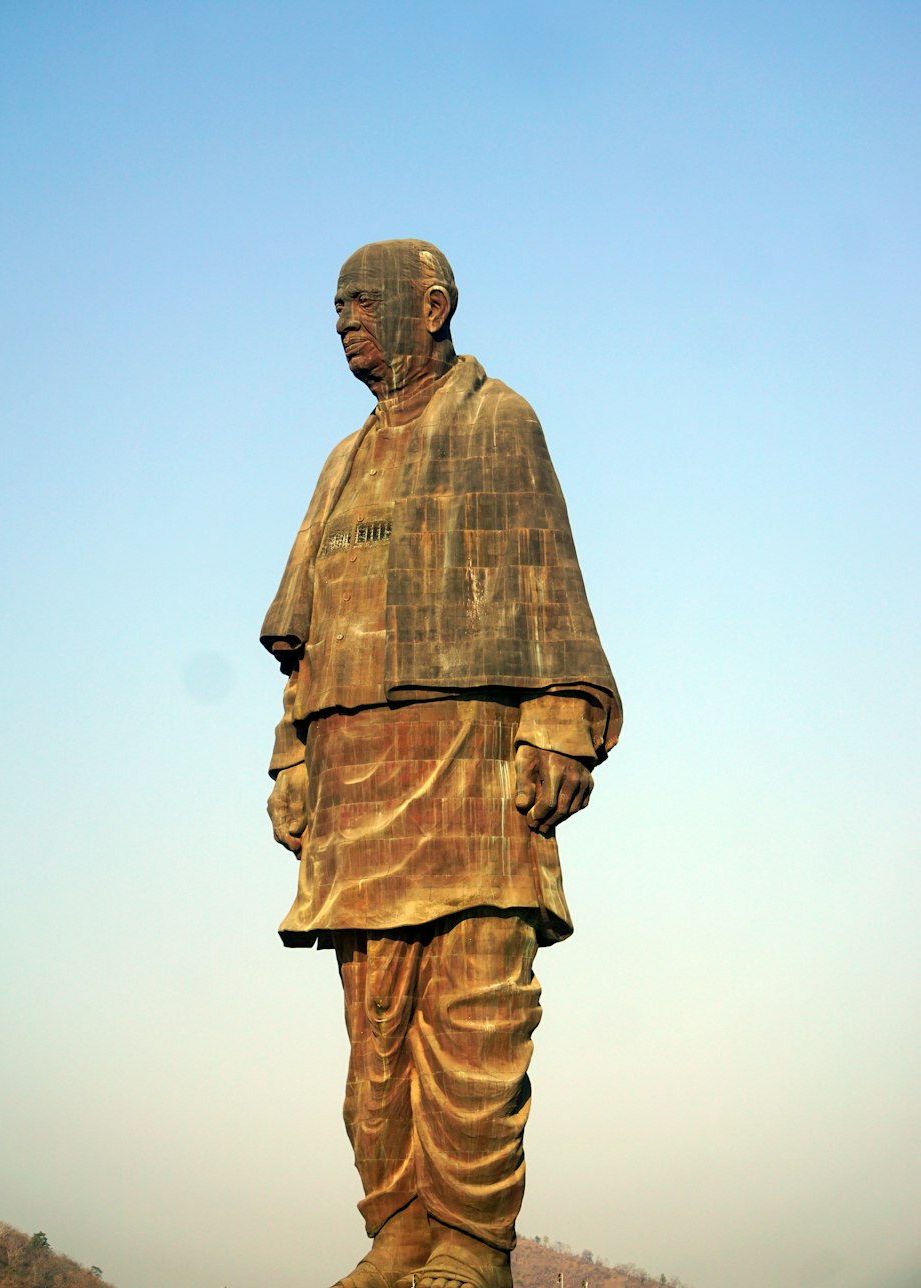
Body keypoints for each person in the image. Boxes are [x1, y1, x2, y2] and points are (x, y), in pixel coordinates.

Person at [262, 240, 621, 1288]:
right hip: (357, 770)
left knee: (472, 1014)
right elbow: (302, 639)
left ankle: (469, 1236)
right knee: (371, 1043)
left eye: (359, 301)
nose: (343, 320)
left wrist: (556, 716)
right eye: (332, 306)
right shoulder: (342, 459)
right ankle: (401, 1227)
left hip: (467, 764)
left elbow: (547, 578)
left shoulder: (497, 421)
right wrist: (292, 760)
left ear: (431, 306)